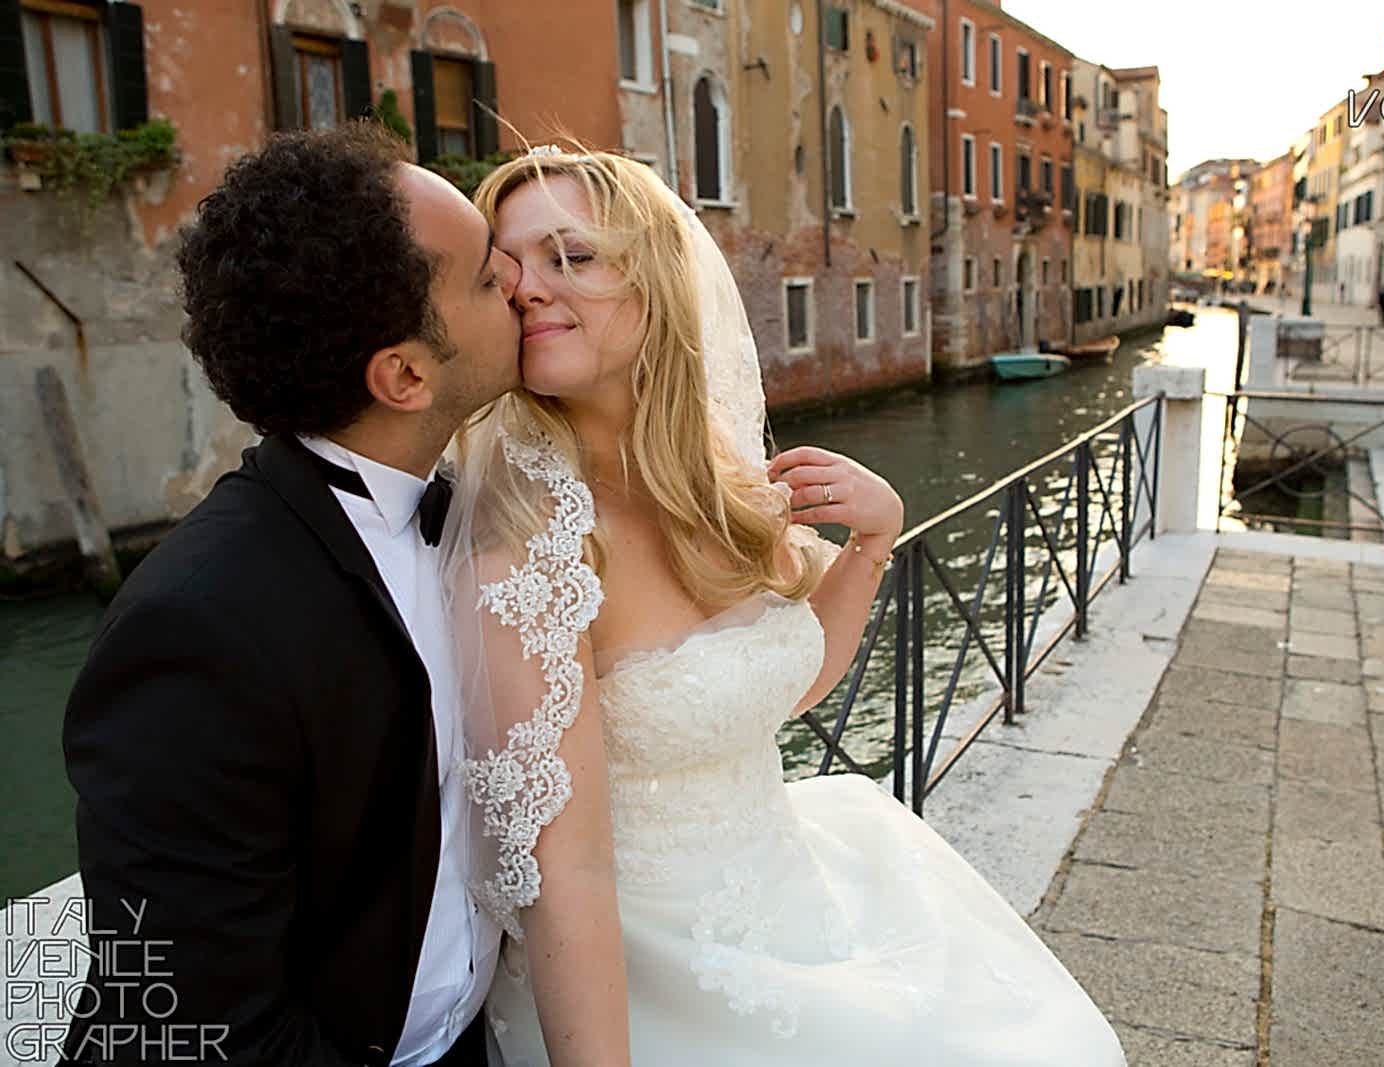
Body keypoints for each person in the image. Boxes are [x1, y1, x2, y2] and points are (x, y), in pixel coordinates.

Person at [445, 146, 1126, 1066]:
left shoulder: (718, 484)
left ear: (657, 284)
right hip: (643, 964)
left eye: (573, 256)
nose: (530, 288)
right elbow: (562, 872)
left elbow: (785, 684)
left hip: (786, 882)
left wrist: (874, 543)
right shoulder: (527, 544)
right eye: (509, 266)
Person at [60, 123, 543, 1065]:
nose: (522, 283)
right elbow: (187, 1024)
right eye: (489, 277)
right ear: (405, 375)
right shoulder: (197, 627)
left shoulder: (478, 516)